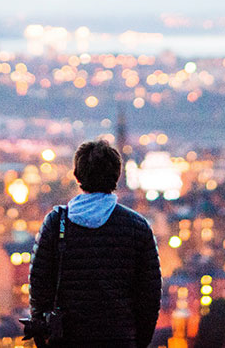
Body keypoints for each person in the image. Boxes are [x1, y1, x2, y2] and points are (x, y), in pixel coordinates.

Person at [28, 138, 161, 347]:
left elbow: (39, 286)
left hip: (67, 340)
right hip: (119, 340)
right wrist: (137, 341)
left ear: (77, 175)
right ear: (116, 175)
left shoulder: (56, 223)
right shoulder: (137, 227)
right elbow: (149, 298)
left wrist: (44, 336)